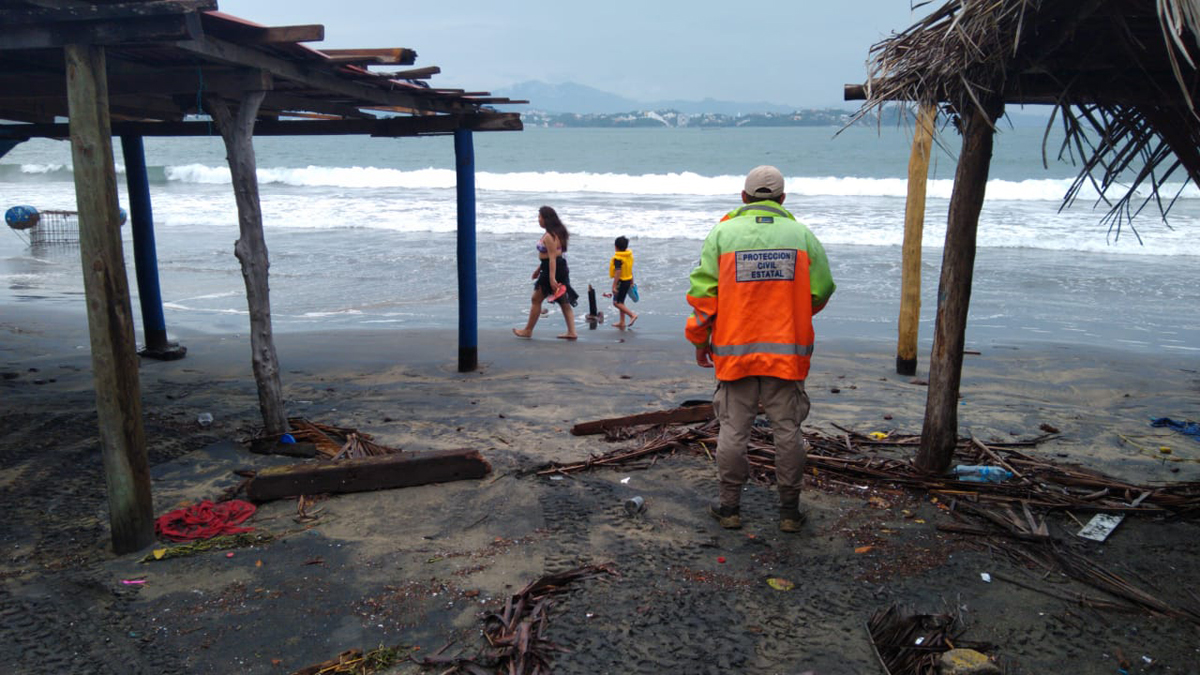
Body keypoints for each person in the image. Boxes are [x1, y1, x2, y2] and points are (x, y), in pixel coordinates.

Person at [685, 165, 835, 532]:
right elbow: (823, 288)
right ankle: (788, 512)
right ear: (783, 199)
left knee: (733, 430)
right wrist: (794, 309)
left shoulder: (722, 234)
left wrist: (699, 340)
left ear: (743, 198)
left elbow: (705, 297)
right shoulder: (800, 235)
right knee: (787, 430)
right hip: (787, 353)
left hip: (735, 352)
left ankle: (730, 508)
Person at [514, 205, 579, 340]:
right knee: (563, 301)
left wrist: (551, 278)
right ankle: (572, 332)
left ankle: (528, 330)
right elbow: (554, 256)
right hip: (558, 267)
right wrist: (538, 270)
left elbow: (552, 258)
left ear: (546, 219)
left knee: (536, 299)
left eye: (540, 217)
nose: (538, 220)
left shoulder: (550, 236)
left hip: (553, 269)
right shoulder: (558, 232)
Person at [605, 235, 638, 329]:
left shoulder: (618, 258)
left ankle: (632, 315)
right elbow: (630, 268)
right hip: (628, 280)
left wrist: (614, 286)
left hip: (621, 282)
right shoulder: (628, 256)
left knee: (616, 303)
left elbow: (618, 272)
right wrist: (632, 281)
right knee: (621, 302)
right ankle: (622, 322)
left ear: (616, 247)